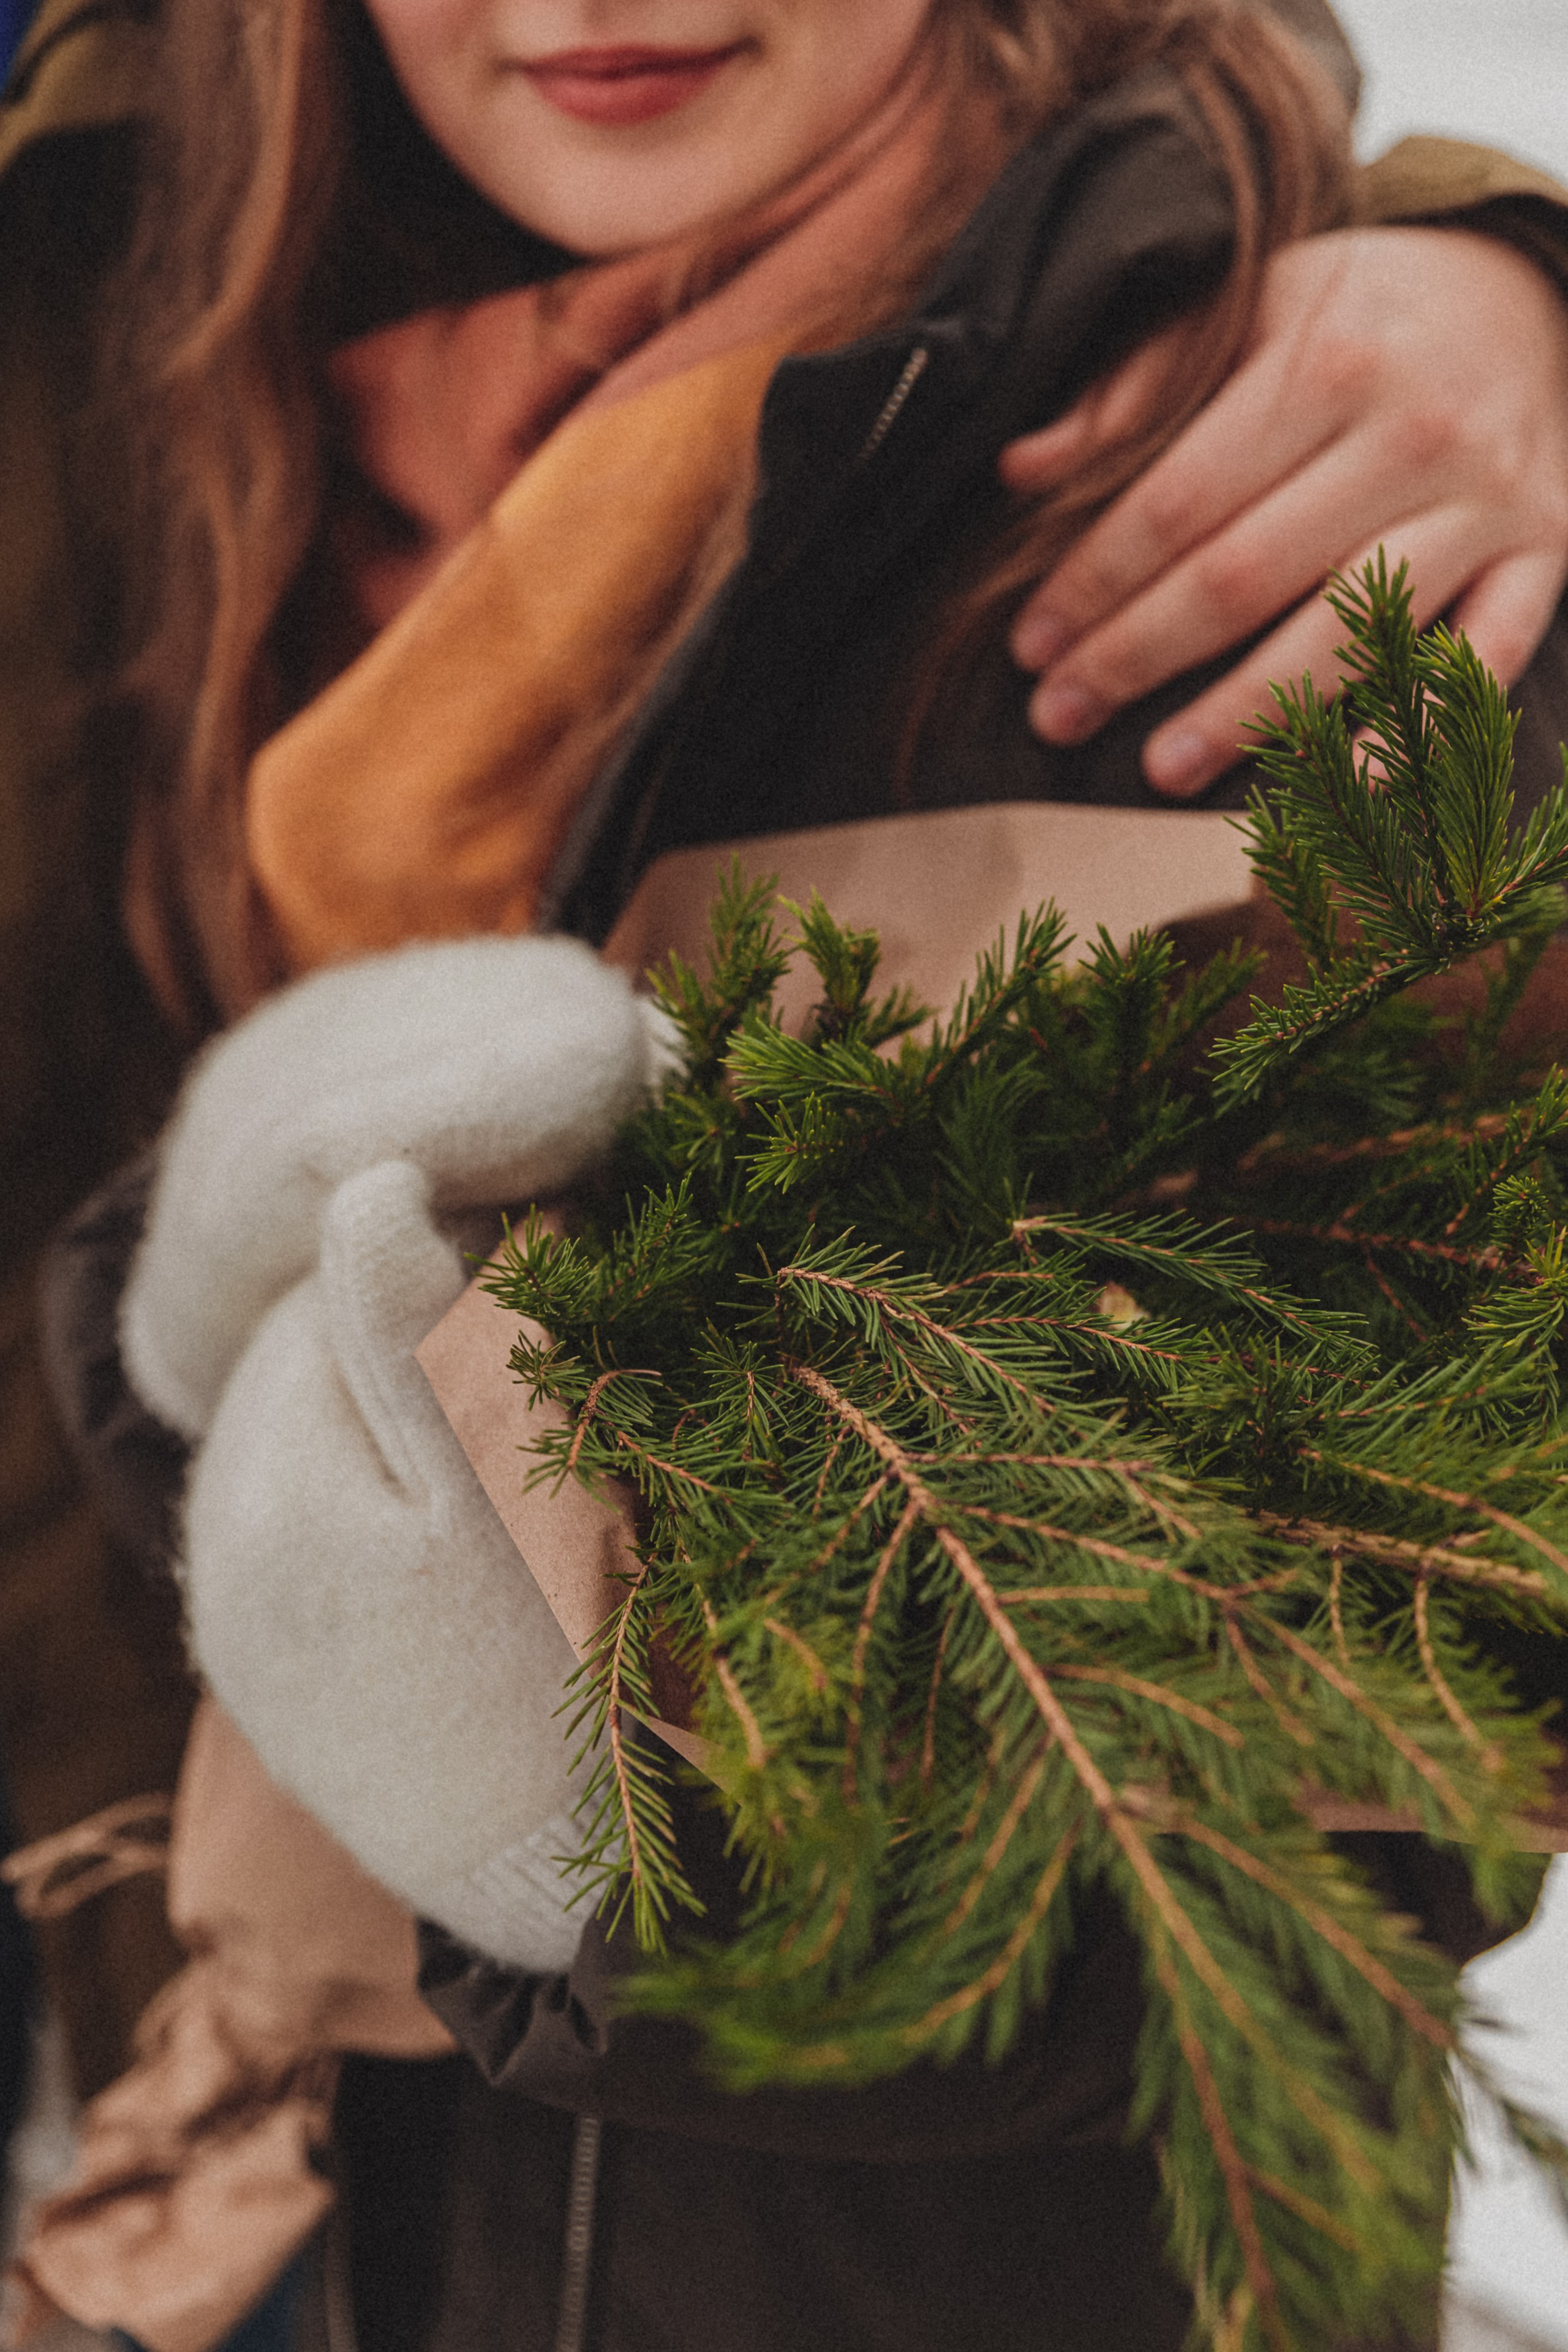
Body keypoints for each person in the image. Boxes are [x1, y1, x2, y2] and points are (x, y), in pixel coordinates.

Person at [6, 1, 1568, 2347]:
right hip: (237, 2174)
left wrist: (564, 1813)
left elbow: (1361, 1757)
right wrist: (158, 1340)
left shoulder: (1280, 481)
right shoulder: (158, 355)